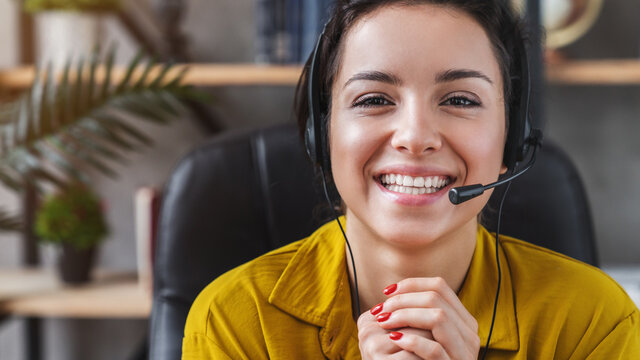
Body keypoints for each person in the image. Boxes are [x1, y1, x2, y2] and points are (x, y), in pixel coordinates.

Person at [182, 0, 640, 358]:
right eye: (373, 98)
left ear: (510, 141)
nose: (416, 137)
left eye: (460, 100)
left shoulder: (594, 323)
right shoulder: (236, 322)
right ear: (322, 135)